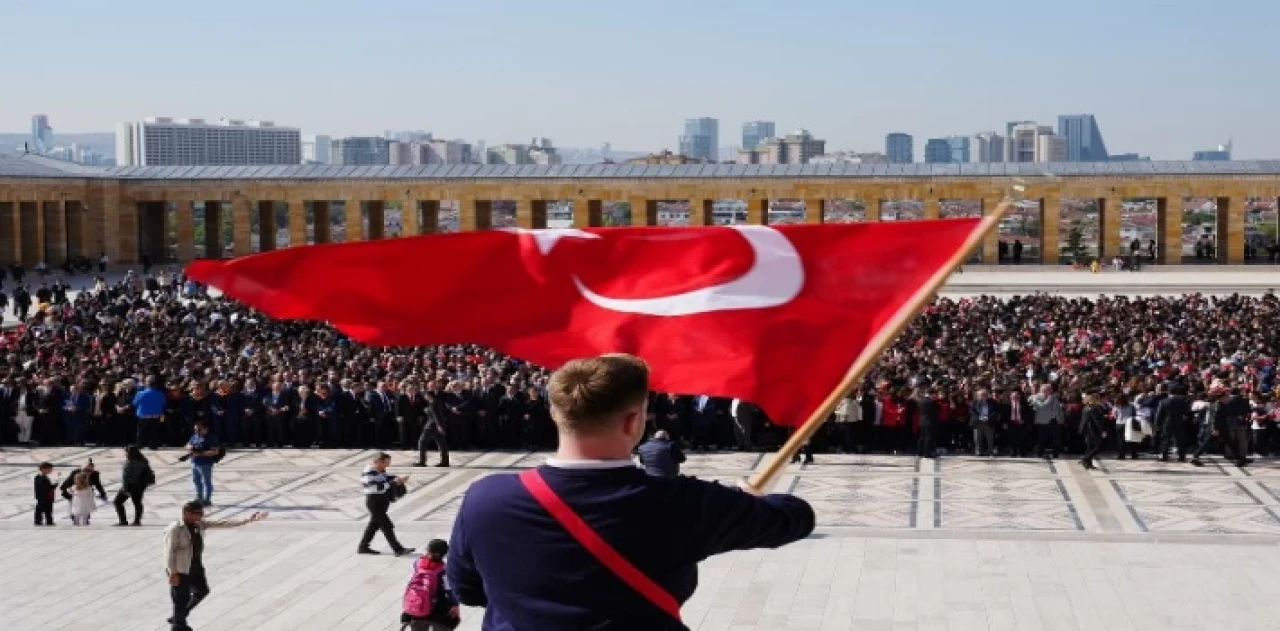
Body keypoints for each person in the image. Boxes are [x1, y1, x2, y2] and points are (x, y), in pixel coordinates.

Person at [447, 354, 814, 629]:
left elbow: (468, 590)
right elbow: (795, 517)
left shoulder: (485, 498)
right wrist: (743, 499)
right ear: (633, 420)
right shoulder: (681, 504)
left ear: (555, 413)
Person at [163, 501, 267, 631]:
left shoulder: (198, 524)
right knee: (181, 599)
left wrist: (247, 520)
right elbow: (169, 552)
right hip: (180, 569)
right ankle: (178, 625)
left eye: (201, 513)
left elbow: (221, 523)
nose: (201, 516)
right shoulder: (175, 529)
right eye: (198, 513)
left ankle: (180, 616)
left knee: (202, 591)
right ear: (187, 514)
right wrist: (173, 572)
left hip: (195, 567)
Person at [359, 452, 415, 556]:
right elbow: (373, 487)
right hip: (374, 501)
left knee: (374, 525)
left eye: (388, 462)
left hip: (382, 500)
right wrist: (393, 483)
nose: (387, 465)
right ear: (377, 462)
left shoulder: (380, 470)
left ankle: (363, 547)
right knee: (386, 526)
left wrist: (398, 479)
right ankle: (398, 549)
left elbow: (386, 478)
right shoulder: (368, 472)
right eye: (385, 462)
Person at [400, 539, 461, 631]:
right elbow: (449, 590)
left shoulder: (417, 563)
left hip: (417, 605)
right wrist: (455, 605)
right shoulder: (444, 569)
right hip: (437, 607)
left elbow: (411, 580)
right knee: (444, 624)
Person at [115, 445, 155, 526]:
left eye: (126, 452)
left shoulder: (129, 463)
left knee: (117, 502)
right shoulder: (143, 461)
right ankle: (137, 520)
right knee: (137, 503)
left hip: (130, 486)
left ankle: (123, 520)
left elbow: (126, 477)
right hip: (140, 486)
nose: (125, 454)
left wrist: (126, 489)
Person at [1155, 385, 1193, 462]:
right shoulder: (1182, 401)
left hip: (1167, 422)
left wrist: (1157, 424)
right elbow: (1187, 412)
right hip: (1179, 422)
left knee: (1166, 439)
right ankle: (1181, 456)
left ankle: (1164, 455)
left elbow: (1159, 414)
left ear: (1169, 392)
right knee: (1180, 440)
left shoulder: (1163, 401)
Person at [187, 420, 219, 506]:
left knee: (206, 482)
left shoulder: (211, 437)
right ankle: (199, 497)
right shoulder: (195, 436)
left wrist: (201, 453)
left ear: (205, 429)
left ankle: (207, 499)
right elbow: (188, 444)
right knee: (196, 481)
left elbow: (215, 451)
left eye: (199, 429)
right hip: (194, 462)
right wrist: (190, 448)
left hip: (205, 463)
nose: (196, 431)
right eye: (195, 430)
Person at [415, 393, 449, 468]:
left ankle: (422, 461)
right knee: (441, 443)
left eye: (426, 396)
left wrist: (438, 425)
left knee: (422, 442)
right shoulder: (438, 402)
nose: (425, 397)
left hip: (432, 426)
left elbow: (435, 415)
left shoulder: (433, 403)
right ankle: (445, 461)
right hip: (439, 425)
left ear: (429, 396)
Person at [134, 376, 167, 450]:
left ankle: (140, 445)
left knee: (141, 432)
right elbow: (164, 404)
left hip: (143, 416)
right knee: (154, 432)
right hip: (156, 416)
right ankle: (153, 445)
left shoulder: (140, 393)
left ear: (147, 383)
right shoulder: (161, 394)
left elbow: (134, 403)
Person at [1078, 394, 1108, 470]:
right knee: (1099, 446)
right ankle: (1086, 458)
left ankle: (1088, 463)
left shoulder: (1086, 407)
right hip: (1093, 429)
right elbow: (1096, 420)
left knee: (1089, 446)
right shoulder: (1095, 408)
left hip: (1086, 429)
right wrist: (1102, 430)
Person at [969, 389, 998, 457]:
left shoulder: (993, 402)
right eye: (981, 395)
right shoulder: (974, 402)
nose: (983, 396)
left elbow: (995, 412)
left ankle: (990, 452)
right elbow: (972, 412)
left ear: (987, 395)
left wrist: (988, 418)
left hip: (989, 422)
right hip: (978, 422)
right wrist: (979, 418)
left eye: (984, 395)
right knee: (977, 438)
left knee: (990, 438)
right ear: (978, 396)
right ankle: (979, 451)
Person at [33, 461, 56, 526]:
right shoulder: (41, 478)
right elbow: (46, 487)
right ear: (44, 469)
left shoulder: (39, 477)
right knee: (46, 509)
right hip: (45, 496)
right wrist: (54, 486)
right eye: (49, 469)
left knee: (42, 509)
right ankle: (46, 521)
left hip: (42, 496)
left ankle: (40, 520)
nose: (51, 471)